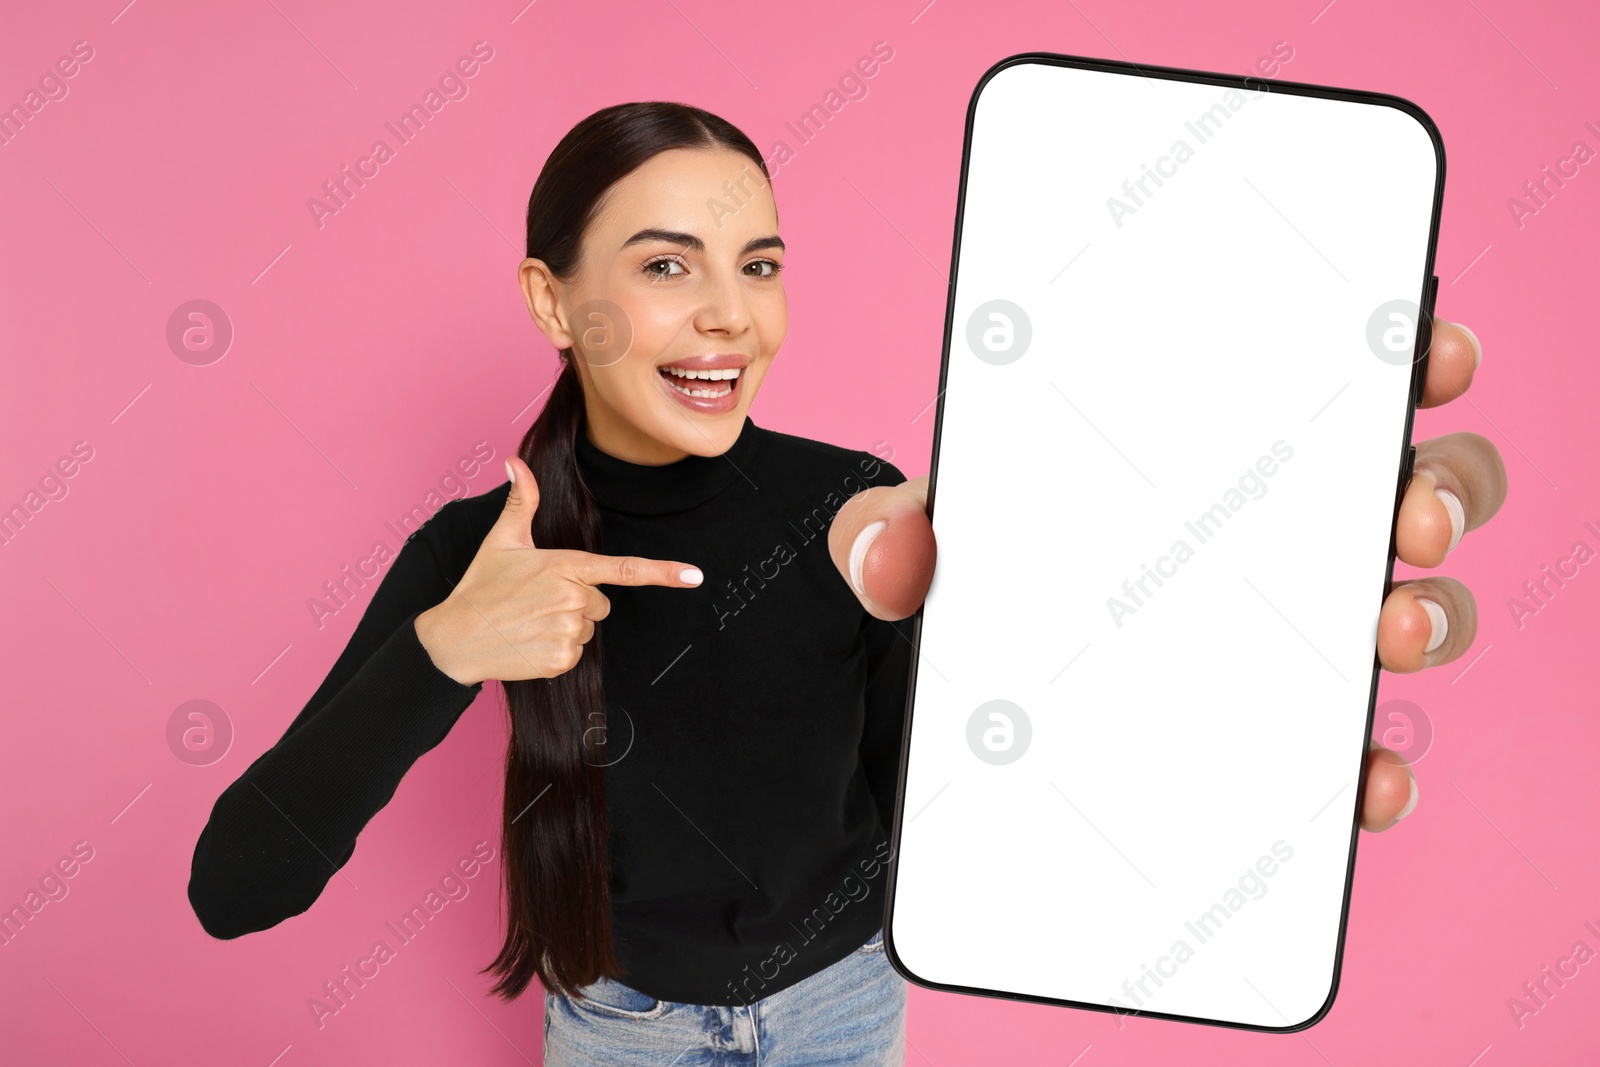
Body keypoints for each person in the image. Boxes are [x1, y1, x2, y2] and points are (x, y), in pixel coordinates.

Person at [187, 100, 1505, 1066]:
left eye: (757, 266)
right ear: (551, 300)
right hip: (619, 1035)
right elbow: (235, 886)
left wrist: (1196, 618)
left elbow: (949, 781)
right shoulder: (476, 558)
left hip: (847, 1009)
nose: (728, 316)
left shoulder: (856, 511)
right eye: (665, 265)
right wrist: (446, 650)